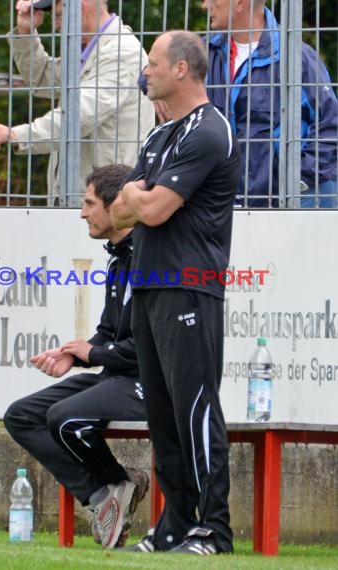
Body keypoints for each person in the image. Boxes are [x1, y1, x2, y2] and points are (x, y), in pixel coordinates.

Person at [111, 31, 240, 555]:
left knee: (195, 410)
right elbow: (119, 213)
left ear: (182, 70)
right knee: (162, 416)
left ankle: (215, 529)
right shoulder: (158, 134)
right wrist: (135, 196)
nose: (146, 71)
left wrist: (138, 196)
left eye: (153, 62)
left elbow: (155, 208)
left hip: (190, 288)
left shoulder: (209, 131)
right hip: (148, 285)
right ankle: (174, 526)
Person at [3, 163, 149, 549]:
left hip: (148, 382)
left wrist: (95, 352)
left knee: (65, 417)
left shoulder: (151, 259)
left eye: (88, 203)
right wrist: (75, 355)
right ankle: (106, 496)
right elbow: (108, 333)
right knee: (21, 415)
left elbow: (149, 346)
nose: (82, 212)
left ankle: (119, 487)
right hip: (117, 375)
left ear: (116, 205)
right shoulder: (118, 258)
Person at [0, 0, 154, 204]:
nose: (55, 25)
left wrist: (16, 135)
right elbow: (41, 78)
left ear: (80, 9)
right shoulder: (90, 50)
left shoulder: (120, 54)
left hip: (108, 202)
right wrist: (25, 32)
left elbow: (77, 117)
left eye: (57, 16)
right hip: (88, 197)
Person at [201, 0, 338, 207]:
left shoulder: (296, 56)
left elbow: (330, 125)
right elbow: (154, 74)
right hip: (222, 205)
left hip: (288, 205)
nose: (205, 5)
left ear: (239, 3)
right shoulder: (202, 54)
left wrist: (298, 179)